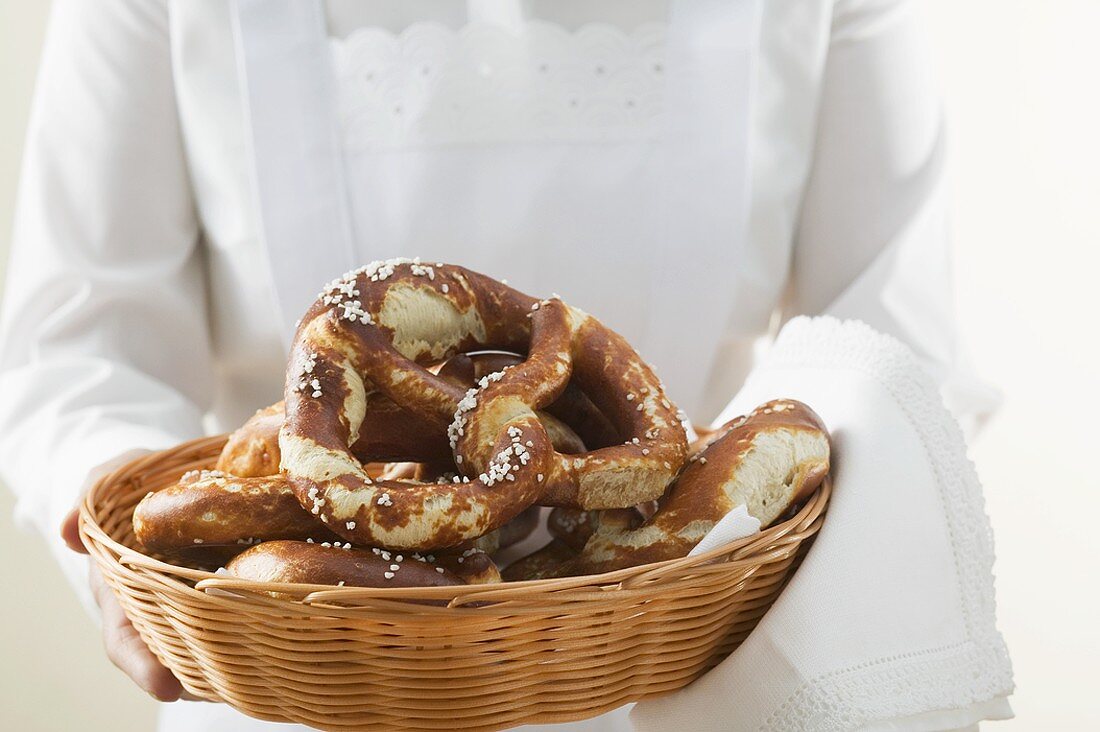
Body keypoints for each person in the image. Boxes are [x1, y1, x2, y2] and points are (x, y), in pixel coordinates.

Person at [0, 0, 997, 730]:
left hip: (682, 661)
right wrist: (124, 555)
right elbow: (78, 346)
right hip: (292, 670)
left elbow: (887, 370)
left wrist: (699, 556)